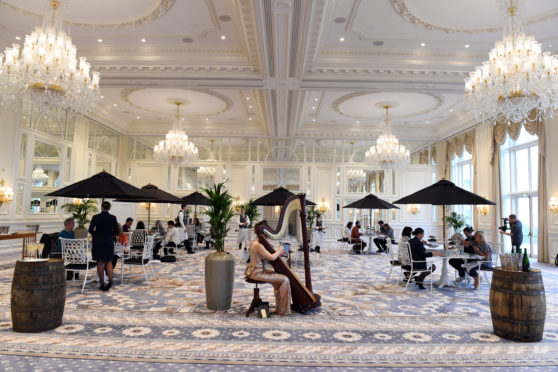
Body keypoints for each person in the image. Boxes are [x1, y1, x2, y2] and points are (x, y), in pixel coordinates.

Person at [245, 220, 291, 316]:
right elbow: (271, 257)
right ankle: (283, 310)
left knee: (281, 276)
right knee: (285, 279)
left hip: (257, 270)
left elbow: (264, 256)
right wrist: (279, 250)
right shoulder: (258, 245)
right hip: (256, 273)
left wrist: (278, 253)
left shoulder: (256, 241)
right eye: (267, 233)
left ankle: (280, 307)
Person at [88, 201, 119, 291]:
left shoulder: (95, 217)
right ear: (109, 208)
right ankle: (110, 280)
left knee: (100, 262)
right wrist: (110, 234)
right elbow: (117, 230)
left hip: (98, 242)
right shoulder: (113, 218)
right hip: (109, 241)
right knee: (109, 261)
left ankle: (102, 283)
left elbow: (90, 230)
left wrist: (97, 234)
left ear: (101, 207)